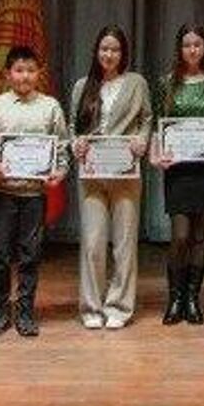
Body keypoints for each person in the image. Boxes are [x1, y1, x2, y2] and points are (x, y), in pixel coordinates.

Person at [0, 44, 69, 339]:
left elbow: (62, 147)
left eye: (30, 70)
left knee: (30, 254)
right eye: (19, 70)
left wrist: (60, 171)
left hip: (34, 195)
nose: (25, 76)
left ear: (39, 73)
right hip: (2, 192)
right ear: (7, 74)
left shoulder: (50, 107)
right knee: (0, 254)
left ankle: (26, 312)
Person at [70, 25, 153, 330]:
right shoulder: (82, 86)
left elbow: (147, 118)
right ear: (96, 51)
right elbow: (72, 126)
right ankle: (91, 307)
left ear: (123, 53)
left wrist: (142, 140)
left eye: (115, 49)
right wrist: (76, 144)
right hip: (92, 175)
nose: (109, 54)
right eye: (104, 49)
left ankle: (119, 306)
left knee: (124, 243)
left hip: (125, 174)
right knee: (92, 243)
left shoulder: (136, 83)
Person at [151, 23, 204, 327]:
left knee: (198, 236)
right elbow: (157, 124)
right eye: (187, 45)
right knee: (181, 235)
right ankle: (175, 298)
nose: (192, 50)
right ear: (180, 49)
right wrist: (156, 155)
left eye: (197, 44)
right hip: (178, 167)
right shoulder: (166, 82)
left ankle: (193, 299)